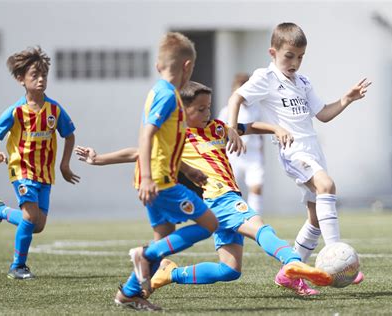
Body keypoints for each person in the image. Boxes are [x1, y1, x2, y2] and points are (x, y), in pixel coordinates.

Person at [76, 81, 333, 299]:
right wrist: (99, 159)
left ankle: (170, 273)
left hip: (223, 199)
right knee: (259, 226)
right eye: (200, 109)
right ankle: (292, 262)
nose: (207, 112)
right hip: (218, 196)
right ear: (183, 112)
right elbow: (138, 152)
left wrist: (275, 128)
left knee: (229, 270)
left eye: (208, 107)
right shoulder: (179, 136)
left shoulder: (217, 128)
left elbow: (250, 126)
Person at [227, 22, 371, 285]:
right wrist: (231, 128)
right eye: (289, 56)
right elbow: (236, 97)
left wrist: (346, 99)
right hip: (293, 151)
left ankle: (290, 274)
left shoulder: (303, 81)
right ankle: (337, 257)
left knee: (315, 220)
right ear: (273, 53)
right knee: (327, 184)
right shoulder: (266, 77)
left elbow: (323, 114)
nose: (295, 62)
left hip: (313, 150)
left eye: (300, 57)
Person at [110, 32, 239, 311]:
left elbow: (162, 143)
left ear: (159, 65)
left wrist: (189, 169)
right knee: (210, 224)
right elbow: (146, 136)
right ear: (187, 66)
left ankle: (129, 293)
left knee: (165, 233)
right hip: (160, 182)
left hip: (157, 177)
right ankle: (146, 256)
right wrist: (147, 177)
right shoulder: (168, 96)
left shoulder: (160, 92)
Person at [0, 46, 80, 280]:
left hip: (44, 173)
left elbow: (69, 135)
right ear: (21, 79)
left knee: (37, 225)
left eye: (43, 75)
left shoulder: (54, 109)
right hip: (21, 169)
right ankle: (18, 266)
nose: (40, 79)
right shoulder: (16, 111)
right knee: (29, 217)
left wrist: (64, 165)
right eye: (34, 75)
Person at [218, 73, 265, 212]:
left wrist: (262, 152)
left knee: (256, 186)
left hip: (253, 154)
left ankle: (255, 217)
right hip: (233, 154)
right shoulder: (227, 110)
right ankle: (234, 215)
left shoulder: (256, 109)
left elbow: (259, 131)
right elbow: (220, 132)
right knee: (232, 188)